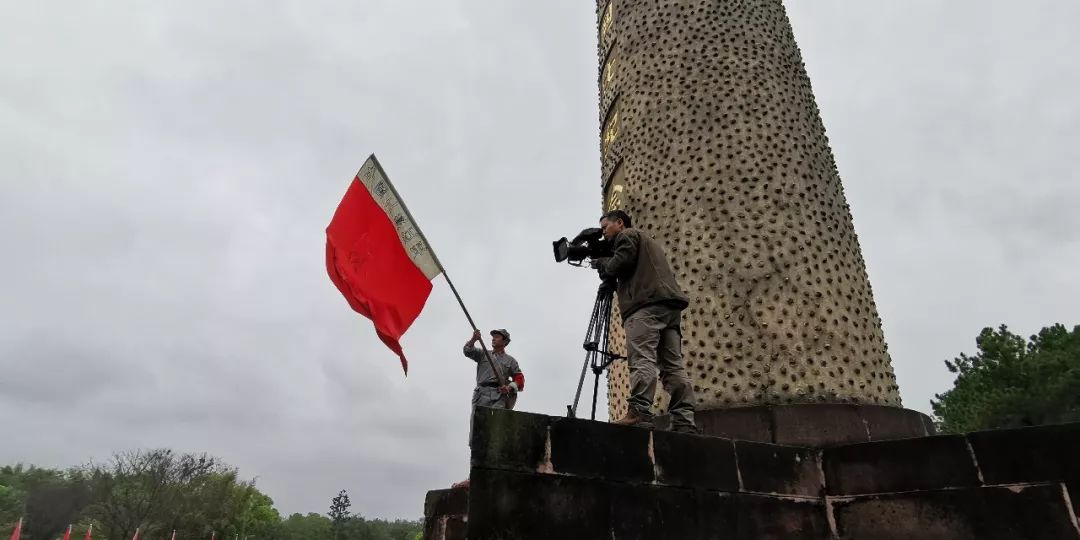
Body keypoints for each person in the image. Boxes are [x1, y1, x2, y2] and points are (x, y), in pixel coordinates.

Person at [590, 209, 697, 433]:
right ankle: (684, 420)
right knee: (672, 367)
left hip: (645, 306)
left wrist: (600, 263)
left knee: (642, 358)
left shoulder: (627, 235)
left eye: (604, 228)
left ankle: (639, 412)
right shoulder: (648, 241)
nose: (604, 234)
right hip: (668, 307)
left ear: (619, 223)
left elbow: (619, 264)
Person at [463, 328, 525, 410]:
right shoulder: (483, 354)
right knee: (479, 421)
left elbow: (519, 379)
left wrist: (509, 388)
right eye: (493, 336)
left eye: (497, 337)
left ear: (505, 341)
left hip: (499, 396)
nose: (493, 338)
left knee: (497, 420)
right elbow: (467, 351)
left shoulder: (511, 361)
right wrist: (474, 339)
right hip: (481, 395)